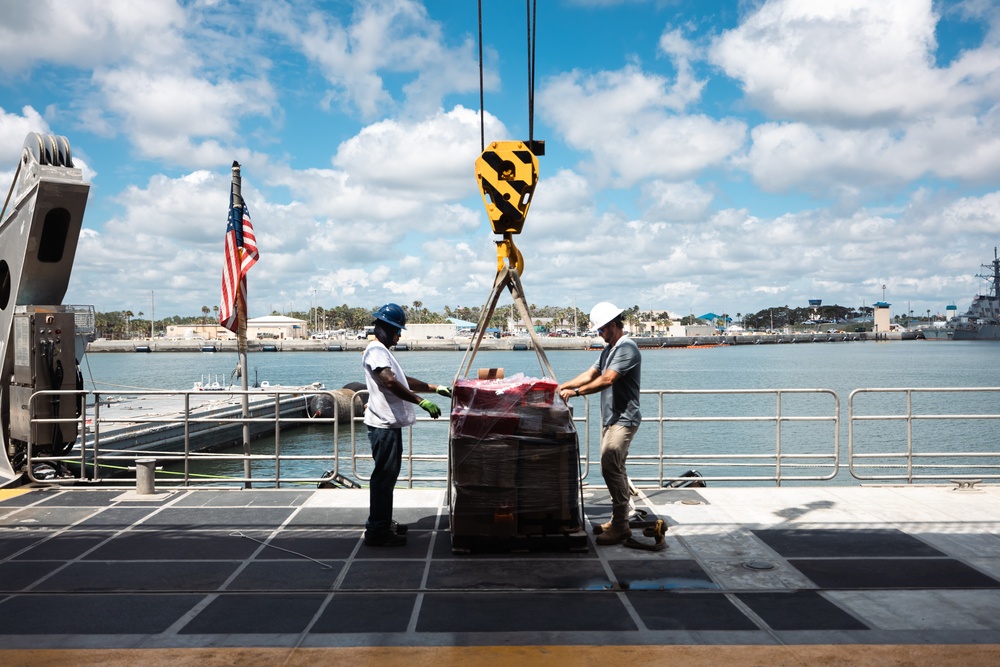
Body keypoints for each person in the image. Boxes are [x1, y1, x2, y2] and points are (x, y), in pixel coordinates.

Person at [362, 303, 451, 546]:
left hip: (388, 425)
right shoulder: (376, 351)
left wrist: (434, 388)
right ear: (385, 328)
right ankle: (377, 530)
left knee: (387, 477)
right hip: (383, 426)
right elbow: (390, 382)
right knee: (383, 478)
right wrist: (421, 402)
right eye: (397, 331)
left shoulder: (382, 351)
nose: (399, 336)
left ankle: (382, 521)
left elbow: (402, 380)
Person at [558, 302, 641, 545]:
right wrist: (560, 386)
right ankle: (618, 519)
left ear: (613, 325)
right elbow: (590, 374)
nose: (599, 334)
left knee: (610, 467)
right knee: (617, 468)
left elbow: (607, 380)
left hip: (623, 420)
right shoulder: (608, 350)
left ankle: (621, 526)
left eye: (601, 330)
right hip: (611, 419)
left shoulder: (626, 348)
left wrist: (576, 393)